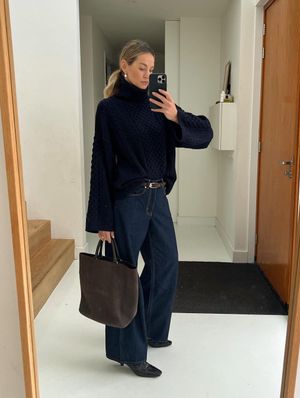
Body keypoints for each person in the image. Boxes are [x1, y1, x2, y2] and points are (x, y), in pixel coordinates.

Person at [85, 39, 213, 378]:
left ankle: (152, 330)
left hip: (158, 199)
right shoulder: (109, 109)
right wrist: (102, 218)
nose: (147, 74)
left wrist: (175, 115)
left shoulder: (160, 104)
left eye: (152, 69)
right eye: (141, 67)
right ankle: (129, 352)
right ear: (124, 67)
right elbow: (101, 163)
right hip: (128, 201)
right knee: (125, 274)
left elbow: (204, 136)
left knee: (166, 262)